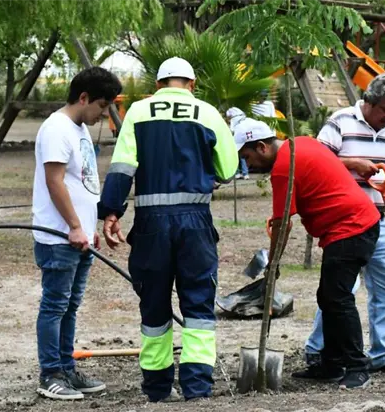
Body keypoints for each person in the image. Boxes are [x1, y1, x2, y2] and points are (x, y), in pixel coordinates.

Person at [98, 57, 238, 402]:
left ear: (158, 85)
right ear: (191, 85)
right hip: (196, 223)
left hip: (150, 225)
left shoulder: (139, 112)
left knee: (154, 307)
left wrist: (111, 213)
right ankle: (197, 388)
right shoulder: (206, 113)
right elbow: (229, 168)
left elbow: (122, 166)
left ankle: (158, 390)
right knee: (199, 306)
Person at [235, 118, 381, 390]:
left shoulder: (282, 169)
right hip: (356, 223)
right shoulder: (301, 143)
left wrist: (273, 263)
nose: (248, 164)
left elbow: (283, 223)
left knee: (337, 297)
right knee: (328, 296)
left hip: (351, 227)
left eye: (248, 156)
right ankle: (332, 363)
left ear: (262, 147)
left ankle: (357, 367)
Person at [303, 72, 385, 373]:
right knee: (341, 291)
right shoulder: (340, 122)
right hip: (345, 223)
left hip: (381, 222)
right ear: (369, 102)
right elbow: (315, 162)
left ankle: (384, 355)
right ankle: (320, 349)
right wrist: (353, 164)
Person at [31, 67, 122, 400]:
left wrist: (90, 226)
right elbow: (55, 182)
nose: (103, 113)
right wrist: (72, 226)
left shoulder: (79, 128)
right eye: (101, 105)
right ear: (83, 98)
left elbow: (81, 180)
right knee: (55, 306)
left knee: (70, 307)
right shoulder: (56, 129)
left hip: (80, 238)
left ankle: (67, 369)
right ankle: (50, 374)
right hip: (59, 239)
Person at [226, 107, 249, 180]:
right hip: (241, 139)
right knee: (241, 156)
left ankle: (238, 173)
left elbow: (231, 130)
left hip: (236, 140)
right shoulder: (242, 119)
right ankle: (244, 173)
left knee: (237, 156)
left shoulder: (233, 119)